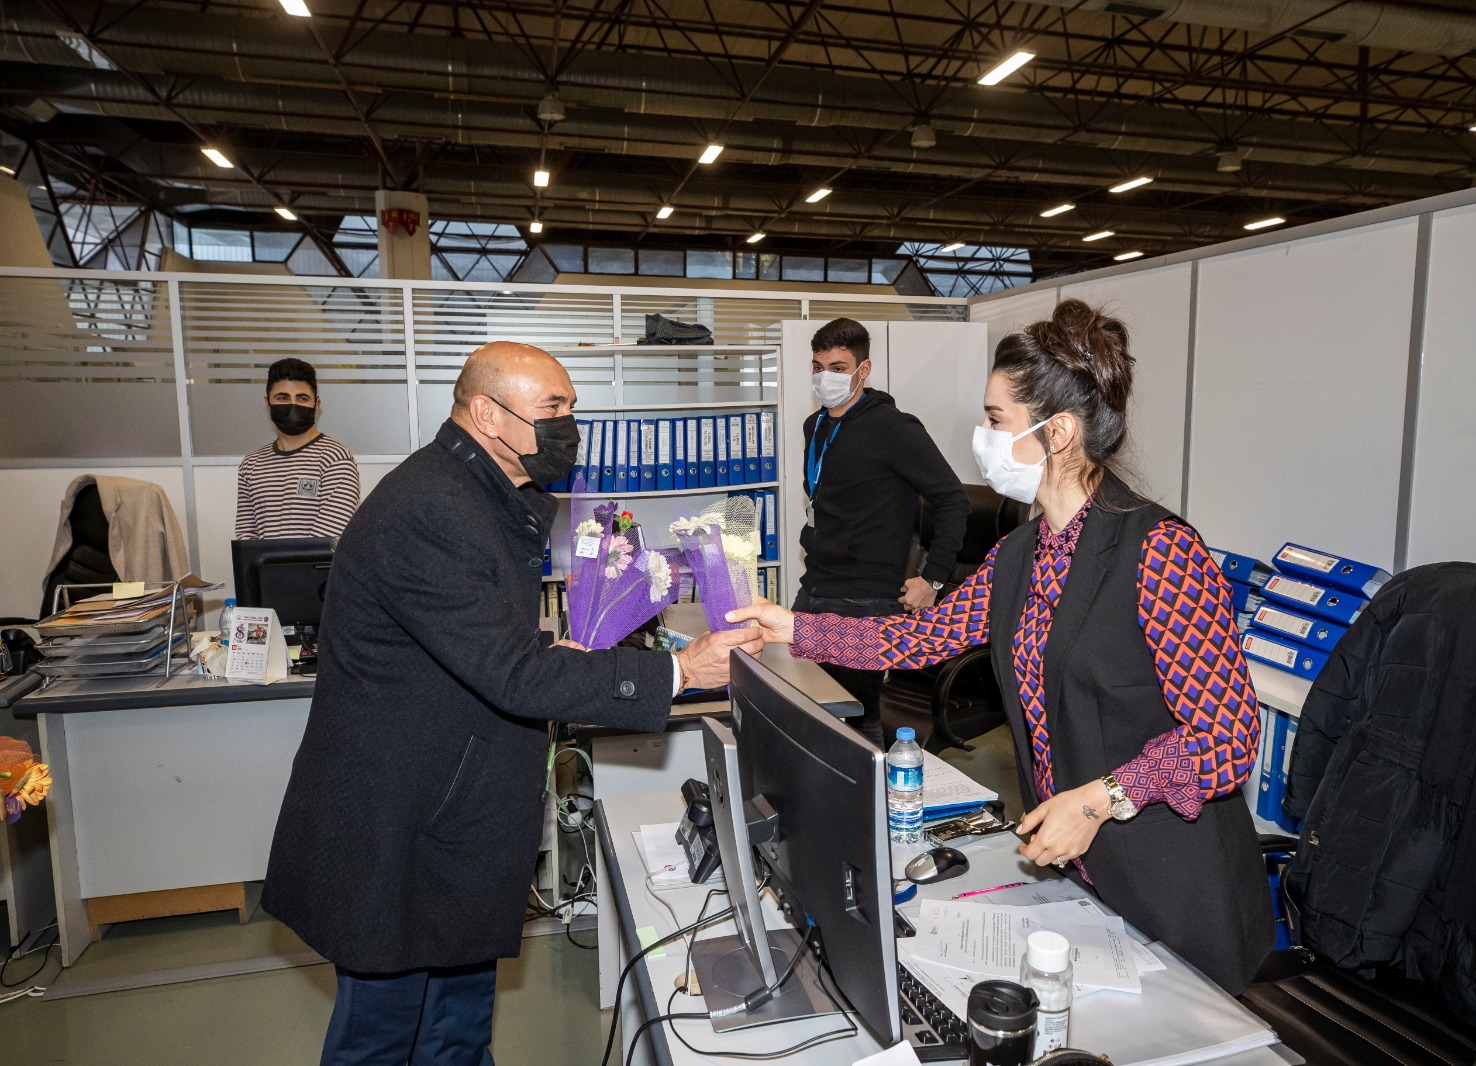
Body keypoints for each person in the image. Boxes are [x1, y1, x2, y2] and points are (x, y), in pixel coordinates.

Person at [735, 300, 1275, 993]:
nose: (982, 437)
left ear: (1060, 432)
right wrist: (794, 628)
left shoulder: (1160, 553)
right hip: (1080, 876)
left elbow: (1228, 738)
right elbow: (919, 636)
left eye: (996, 420)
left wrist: (1100, 799)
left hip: (1173, 884)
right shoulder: (1020, 553)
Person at [261, 342, 763, 1065]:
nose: (569, 427)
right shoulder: (430, 510)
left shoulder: (479, 493)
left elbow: (477, 640)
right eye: (552, 409)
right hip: (401, 827)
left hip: (447, 814)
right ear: (487, 414)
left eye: (571, 409)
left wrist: (561, 655)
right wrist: (679, 671)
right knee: (382, 1038)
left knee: (456, 1032)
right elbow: (512, 675)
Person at [797, 317, 969, 748]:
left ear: (864, 369)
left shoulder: (895, 428)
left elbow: (953, 500)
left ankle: (874, 787)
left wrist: (934, 578)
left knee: (855, 716)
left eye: (838, 368)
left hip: (866, 597)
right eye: (818, 368)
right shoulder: (814, 426)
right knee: (805, 709)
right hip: (815, 586)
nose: (825, 378)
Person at [235, 357, 360, 540]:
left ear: (316, 405)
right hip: (264, 562)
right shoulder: (251, 464)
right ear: (268, 404)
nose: (292, 405)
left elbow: (326, 540)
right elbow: (246, 536)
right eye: (282, 397)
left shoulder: (335, 459)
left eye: (302, 398)